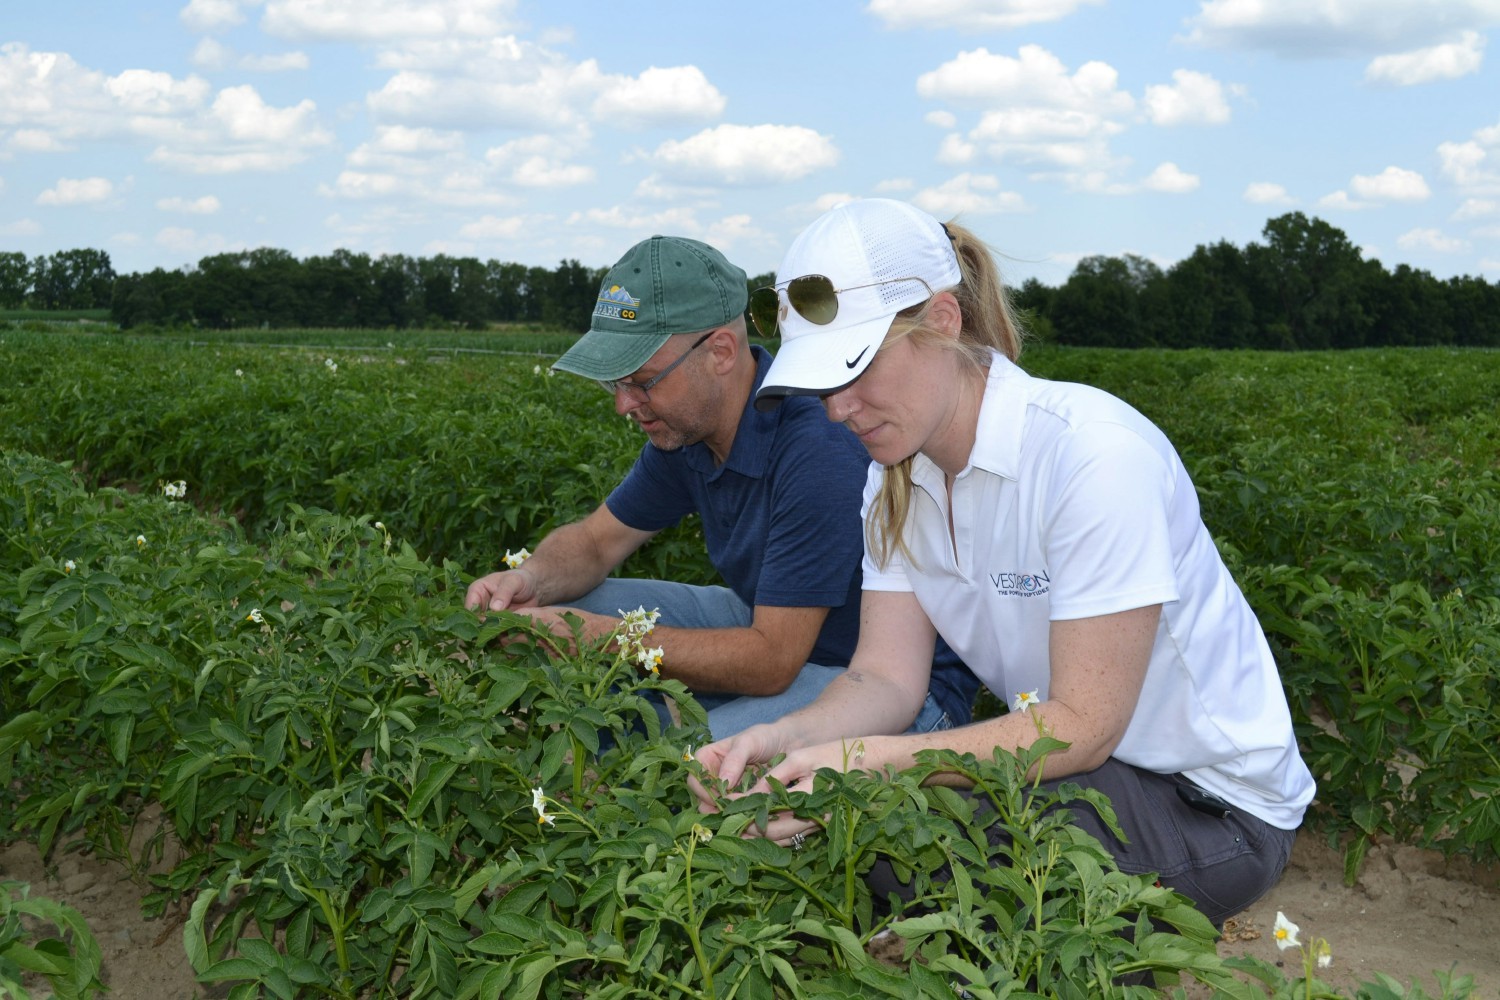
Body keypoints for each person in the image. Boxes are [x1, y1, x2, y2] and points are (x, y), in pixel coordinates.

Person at [692, 199, 1315, 926]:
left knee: (922, 849)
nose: (838, 409)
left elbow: (1085, 724)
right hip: (1084, 773)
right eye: (824, 383)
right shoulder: (894, 479)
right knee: (865, 834)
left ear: (944, 321)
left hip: (1209, 805)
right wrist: (789, 737)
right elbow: (884, 678)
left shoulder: (1092, 455)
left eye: (858, 369)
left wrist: (863, 762)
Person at [465, 233, 979, 739]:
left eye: (640, 381)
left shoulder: (816, 447)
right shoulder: (687, 434)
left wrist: (602, 641)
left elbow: (772, 662)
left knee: (668, 765)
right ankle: (627, 744)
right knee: (576, 612)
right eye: (614, 383)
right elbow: (597, 542)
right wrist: (532, 579)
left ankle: (646, 758)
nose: (623, 404)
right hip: (775, 626)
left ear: (721, 351)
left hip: (887, 685)